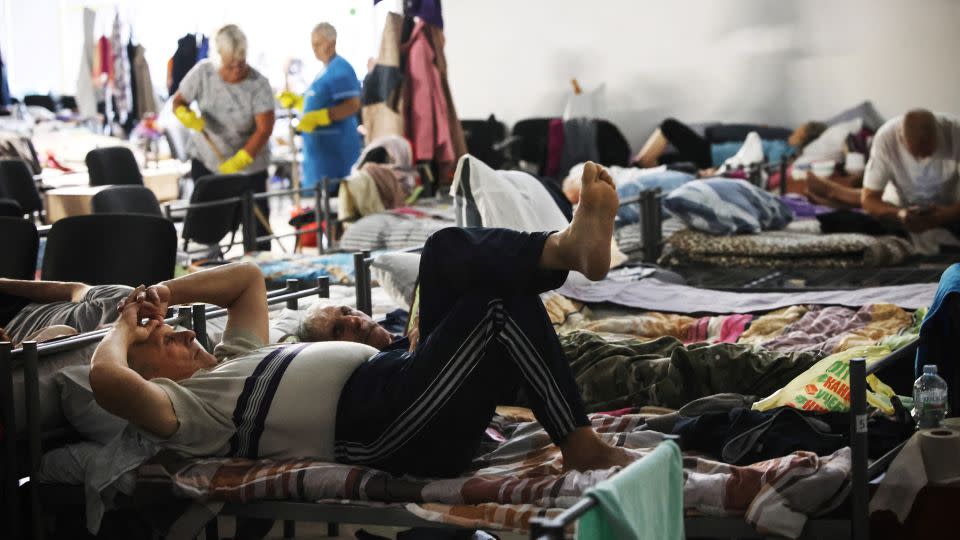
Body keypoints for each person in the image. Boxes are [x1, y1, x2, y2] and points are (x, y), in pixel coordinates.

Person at [89, 162, 635, 480]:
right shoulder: (191, 412)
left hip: (404, 379)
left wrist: (160, 291)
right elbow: (107, 381)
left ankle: (566, 248)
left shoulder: (235, 359)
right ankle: (579, 443)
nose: (183, 329)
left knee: (443, 250)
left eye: (171, 324)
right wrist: (124, 329)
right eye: (162, 340)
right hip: (386, 429)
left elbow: (248, 278)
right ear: (152, 378)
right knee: (493, 307)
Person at [172, 24, 275, 250]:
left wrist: (242, 159)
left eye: (242, 63)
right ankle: (207, 266)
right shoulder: (203, 72)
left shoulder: (258, 84)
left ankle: (261, 271)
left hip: (249, 163)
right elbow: (179, 101)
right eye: (230, 65)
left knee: (257, 225)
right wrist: (184, 114)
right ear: (218, 57)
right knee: (208, 222)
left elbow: (264, 128)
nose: (237, 70)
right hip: (207, 158)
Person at [278, 23, 362, 194]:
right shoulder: (324, 71)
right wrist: (299, 102)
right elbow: (321, 101)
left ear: (332, 42)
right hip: (320, 157)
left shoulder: (341, 69)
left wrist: (323, 117)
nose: (314, 48)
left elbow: (352, 104)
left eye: (318, 43)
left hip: (336, 155)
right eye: (312, 44)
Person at [861, 109, 960, 233]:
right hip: (899, 209)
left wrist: (946, 215)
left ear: (940, 134)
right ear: (901, 138)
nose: (925, 159)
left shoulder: (956, 131)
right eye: (917, 154)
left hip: (951, 210)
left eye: (929, 152)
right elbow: (868, 199)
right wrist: (900, 213)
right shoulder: (886, 138)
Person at [0, 279, 132, 346]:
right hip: (20, 340)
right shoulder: (122, 296)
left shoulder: (120, 297)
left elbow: (73, 290)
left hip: (21, 344)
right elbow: (74, 290)